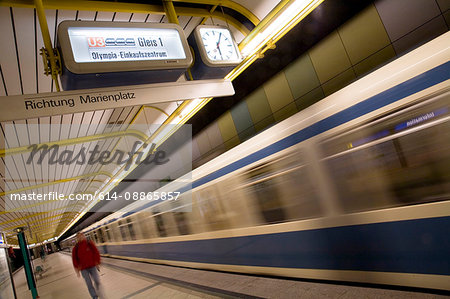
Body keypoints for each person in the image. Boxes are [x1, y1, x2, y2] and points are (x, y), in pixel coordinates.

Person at [72, 232, 102, 299]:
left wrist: (97, 262)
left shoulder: (89, 243)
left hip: (92, 266)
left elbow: (96, 252)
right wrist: (77, 271)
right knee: (89, 284)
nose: (81, 237)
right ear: (77, 238)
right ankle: (94, 296)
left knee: (97, 280)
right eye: (79, 237)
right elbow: (74, 260)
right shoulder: (75, 248)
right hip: (83, 269)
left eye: (82, 236)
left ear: (84, 236)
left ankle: (98, 291)